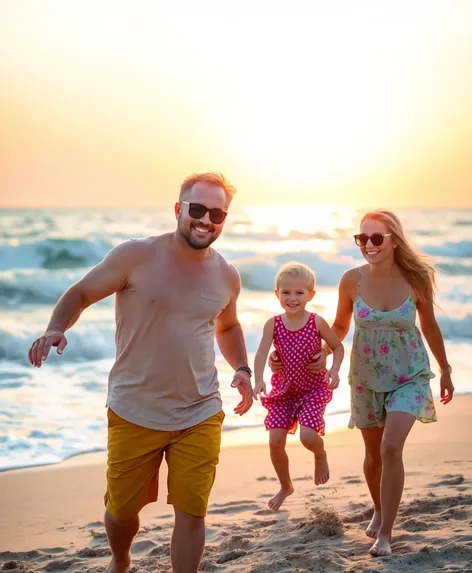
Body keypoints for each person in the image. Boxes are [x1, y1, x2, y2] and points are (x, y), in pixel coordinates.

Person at [27, 172, 254, 573]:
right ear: (178, 209)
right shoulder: (136, 255)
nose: (205, 220)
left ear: (224, 218)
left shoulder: (226, 275)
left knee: (192, 511)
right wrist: (56, 328)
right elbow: (80, 292)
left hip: (200, 410)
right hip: (134, 410)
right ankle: (120, 560)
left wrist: (242, 368)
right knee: (121, 513)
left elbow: (229, 326)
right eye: (197, 209)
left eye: (216, 214)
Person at [269, 209, 454, 556]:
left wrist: (444, 369)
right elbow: (338, 327)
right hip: (366, 377)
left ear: (394, 240)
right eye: (362, 238)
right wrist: (321, 352)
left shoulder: (416, 278)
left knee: (390, 447)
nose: (368, 244)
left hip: (409, 374)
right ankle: (380, 508)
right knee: (372, 456)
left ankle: (385, 532)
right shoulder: (351, 280)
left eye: (376, 237)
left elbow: (429, 325)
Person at [253, 262, 344, 511]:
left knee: (308, 436)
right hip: (284, 392)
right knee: (274, 440)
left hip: (313, 390)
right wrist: (258, 379)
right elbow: (261, 353)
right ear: (277, 294)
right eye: (286, 293)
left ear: (311, 295)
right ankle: (285, 486)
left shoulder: (317, 322)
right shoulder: (273, 324)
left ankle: (320, 454)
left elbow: (338, 347)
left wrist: (334, 369)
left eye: (299, 293)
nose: (292, 298)